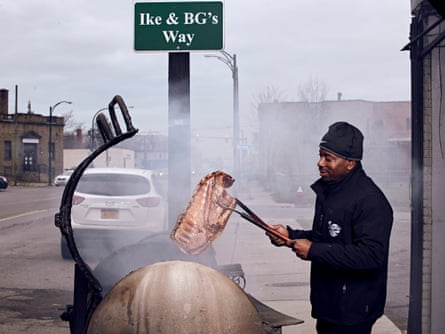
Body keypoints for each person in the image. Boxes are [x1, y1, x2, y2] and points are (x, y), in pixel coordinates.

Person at [267, 121, 393, 334]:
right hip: (329, 304)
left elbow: (372, 255)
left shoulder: (370, 200)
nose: (319, 163)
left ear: (350, 163)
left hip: (352, 311)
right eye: (320, 155)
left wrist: (313, 250)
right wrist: (290, 235)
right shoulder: (330, 191)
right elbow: (326, 237)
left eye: (328, 158)